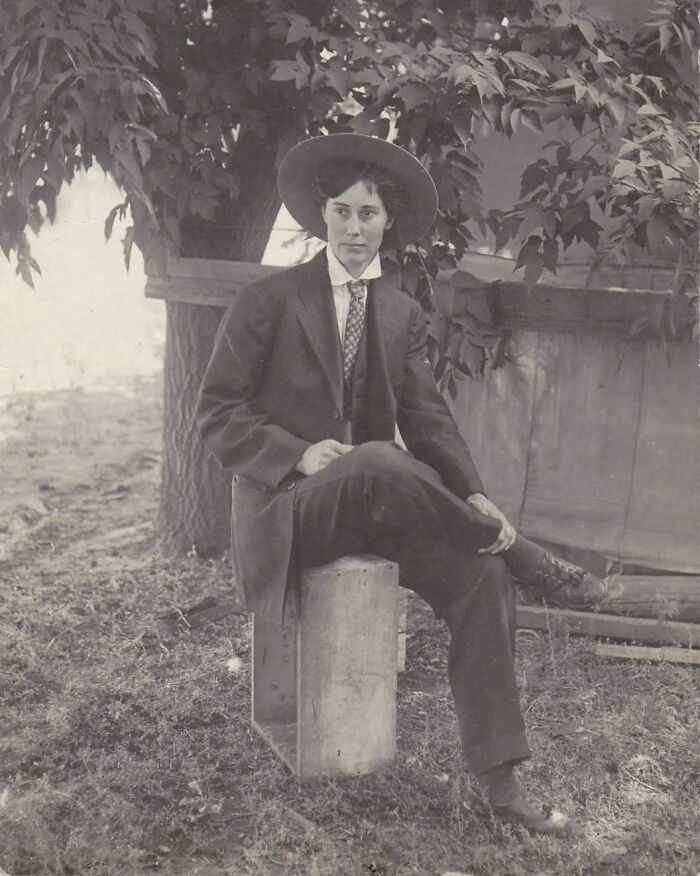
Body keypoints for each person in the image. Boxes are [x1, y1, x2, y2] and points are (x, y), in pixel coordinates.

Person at [196, 133, 608, 836]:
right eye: (341, 211)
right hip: (289, 513)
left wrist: (473, 493)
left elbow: (427, 419)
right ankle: (523, 552)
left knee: (481, 577)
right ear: (321, 217)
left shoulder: (399, 310)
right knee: (378, 460)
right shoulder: (269, 299)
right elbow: (216, 413)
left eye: (368, 214)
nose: (353, 228)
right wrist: (298, 454)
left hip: (373, 503)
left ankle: (500, 782)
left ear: (389, 223)